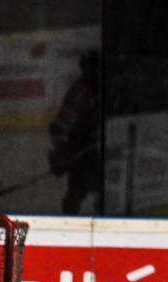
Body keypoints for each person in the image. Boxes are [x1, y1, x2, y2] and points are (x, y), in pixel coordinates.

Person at [48, 49, 101, 214]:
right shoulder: (80, 92)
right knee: (77, 191)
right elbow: (59, 128)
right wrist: (65, 152)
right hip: (81, 149)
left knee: (104, 188)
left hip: (96, 147)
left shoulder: (102, 88)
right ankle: (68, 221)